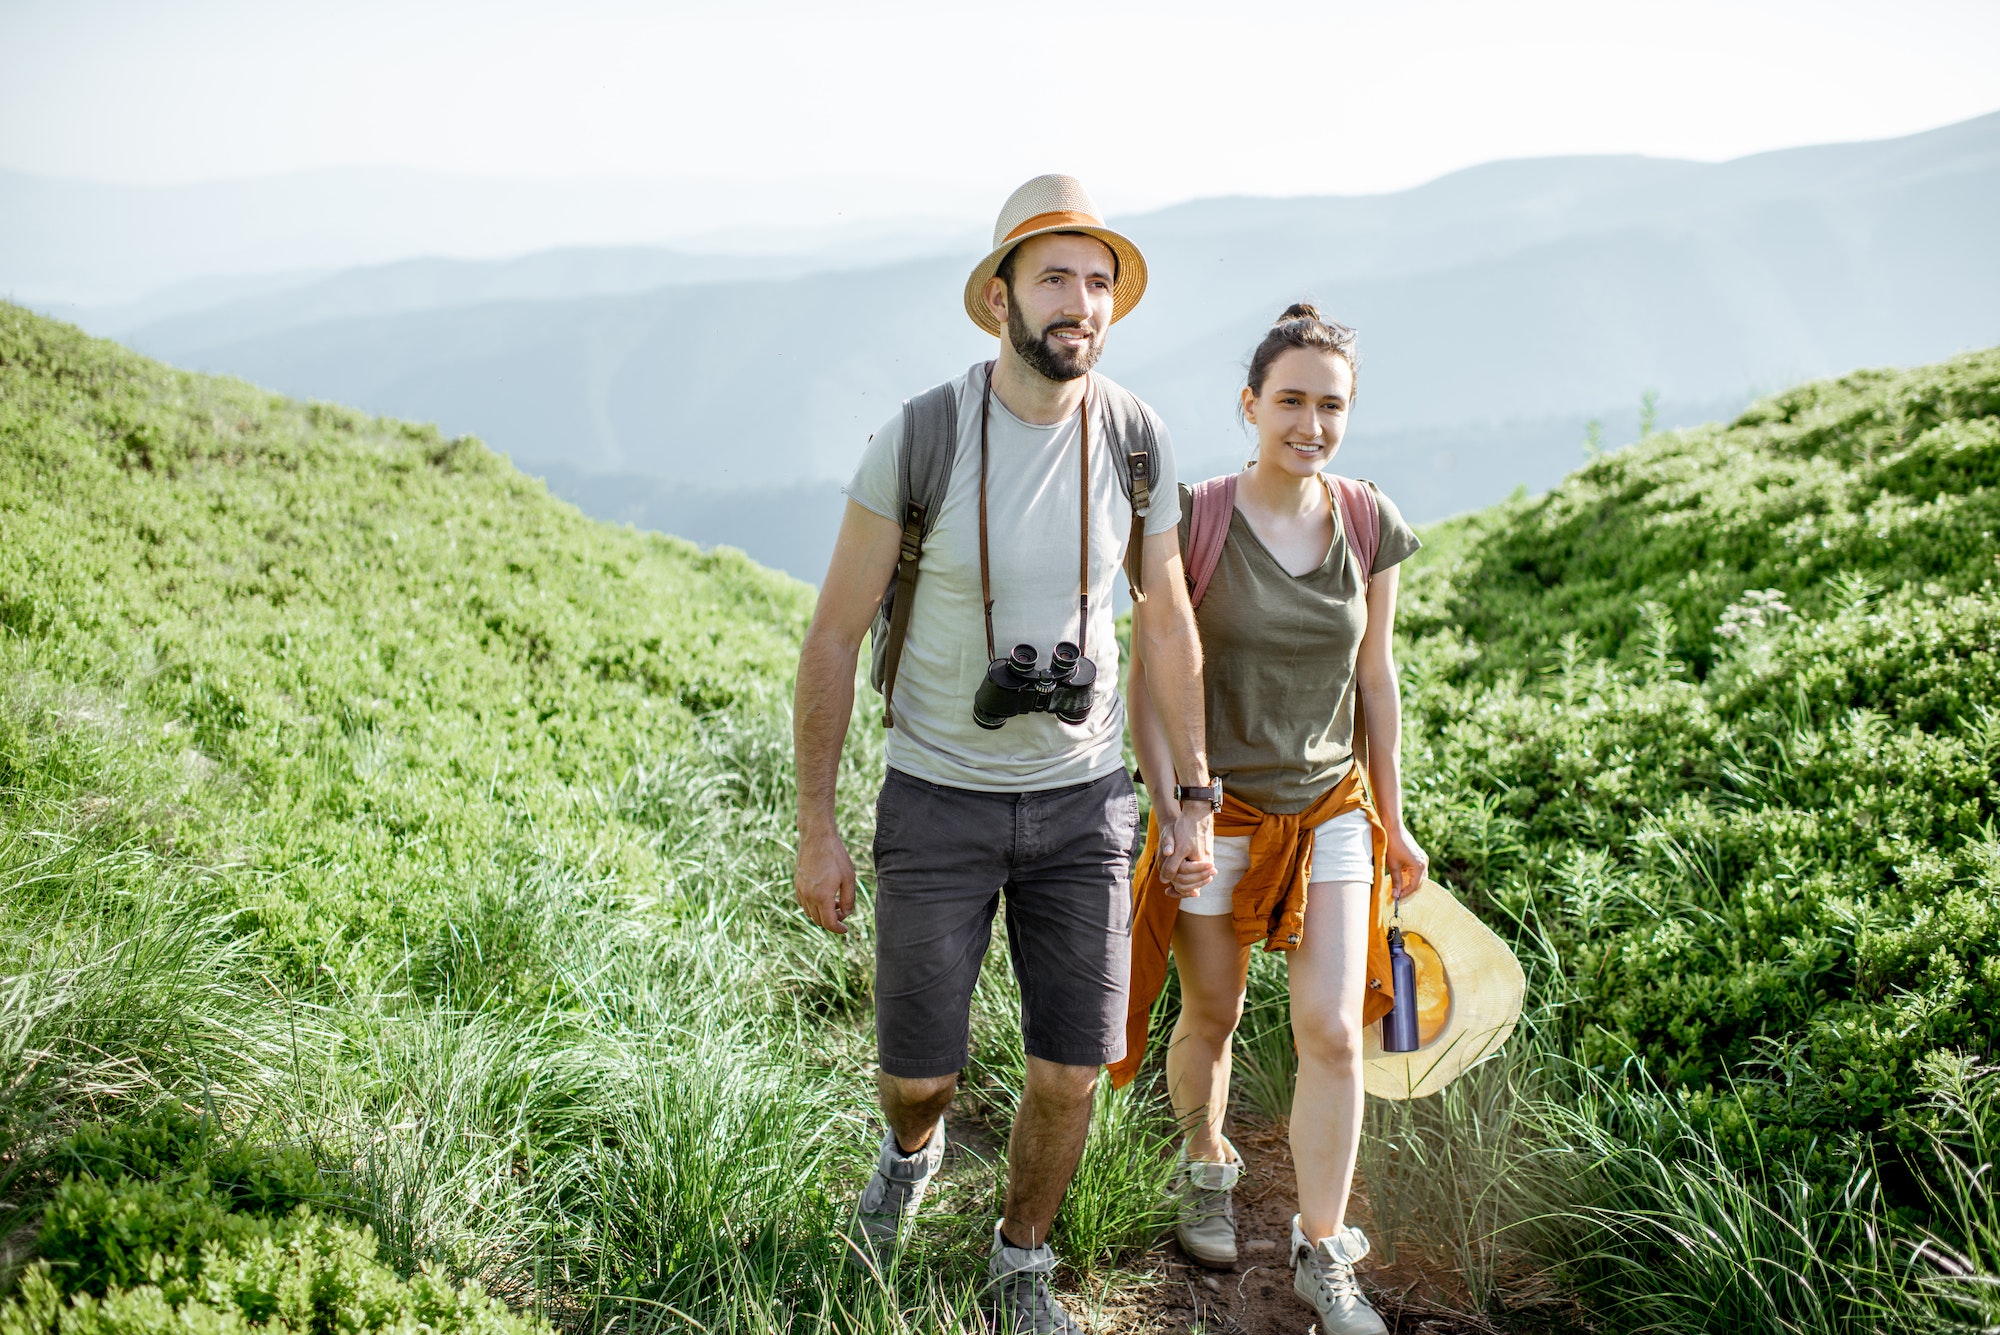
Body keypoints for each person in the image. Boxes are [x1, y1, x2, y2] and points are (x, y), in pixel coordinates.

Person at [791, 174, 1215, 1335]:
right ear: (997, 301)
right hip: (936, 793)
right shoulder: (922, 436)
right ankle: (910, 1151)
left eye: (1098, 281)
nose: (1080, 301)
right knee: (919, 1074)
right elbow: (832, 633)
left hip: (1085, 802)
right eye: (1053, 278)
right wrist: (816, 823)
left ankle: (1019, 1259)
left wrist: (1188, 798)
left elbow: (1167, 621)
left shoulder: (1135, 439)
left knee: (1068, 1073)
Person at [1117, 305, 1429, 1335]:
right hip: (1221, 809)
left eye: (1328, 404)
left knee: (1333, 1033)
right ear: (1249, 406)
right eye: (1288, 400)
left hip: (1330, 810)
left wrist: (1395, 817)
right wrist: (1175, 813)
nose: (1309, 422)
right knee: (1209, 1014)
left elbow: (1374, 678)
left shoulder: (1367, 519)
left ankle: (1318, 1251)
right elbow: (1149, 682)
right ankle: (1204, 1164)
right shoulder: (1196, 519)